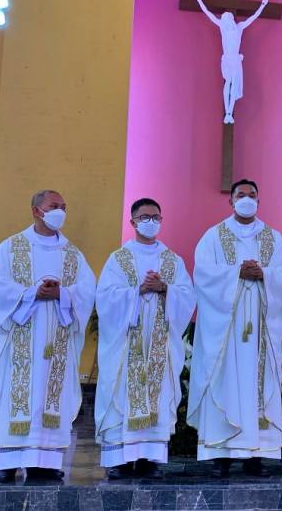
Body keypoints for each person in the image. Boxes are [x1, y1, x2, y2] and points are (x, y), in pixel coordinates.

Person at [0, 190, 95, 483]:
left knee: (50, 397)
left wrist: (62, 293)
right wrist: (32, 293)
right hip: (19, 340)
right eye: (54, 206)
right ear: (36, 211)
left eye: (64, 207)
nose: (61, 212)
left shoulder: (73, 255)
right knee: (14, 395)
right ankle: (6, 461)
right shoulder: (11, 248)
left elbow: (88, 290)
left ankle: (46, 461)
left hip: (57, 341)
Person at [188, 179, 282, 477]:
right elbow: (203, 274)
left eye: (252, 195)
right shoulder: (213, 237)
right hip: (227, 332)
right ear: (231, 202)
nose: (247, 199)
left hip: (261, 326)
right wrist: (236, 273)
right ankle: (221, 454)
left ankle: (255, 457)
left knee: (259, 385)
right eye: (241, 195)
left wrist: (265, 274)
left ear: (260, 200)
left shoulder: (274, 238)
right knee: (225, 382)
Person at [95, 198, 196, 479]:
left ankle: (150, 458)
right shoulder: (119, 259)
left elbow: (188, 297)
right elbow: (104, 298)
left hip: (160, 348)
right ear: (133, 222)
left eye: (155, 216)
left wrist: (165, 288)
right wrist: (137, 291)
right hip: (127, 345)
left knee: (158, 396)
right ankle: (119, 459)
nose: (150, 221)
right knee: (120, 395)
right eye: (145, 216)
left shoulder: (172, 260)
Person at [193, 0, 269, 124]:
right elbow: (209, 14)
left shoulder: (239, 27)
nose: (225, 21)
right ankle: (227, 112)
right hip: (227, 59)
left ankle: (229, 112)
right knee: (228, 83)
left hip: (234, 59)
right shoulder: (222, 27)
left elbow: (253, 18)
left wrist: (262, 5)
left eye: (226, 19)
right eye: (224, 20)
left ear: (230, 18)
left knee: (233, 85)